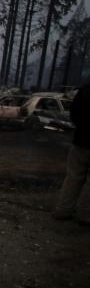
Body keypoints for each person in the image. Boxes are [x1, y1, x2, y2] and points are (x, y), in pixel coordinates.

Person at [55, 83, 90, 223]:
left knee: (73, 176)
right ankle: (85, 214)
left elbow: (74, 114)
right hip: (83, 140)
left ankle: (63, 210)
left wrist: (83, 127)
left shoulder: (85, 90)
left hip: (80, 140)